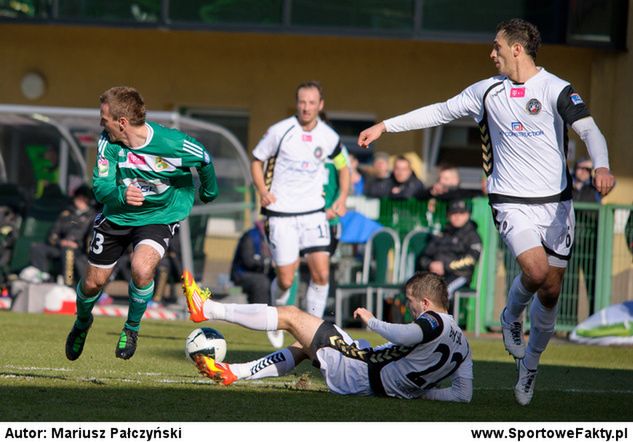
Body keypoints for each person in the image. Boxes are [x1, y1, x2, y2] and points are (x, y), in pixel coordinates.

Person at [357, 18, 615, 406]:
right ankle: (512, 315)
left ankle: (529, 365)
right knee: (536, 270)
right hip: (510, 201)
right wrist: (385, 126)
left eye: (496, 46)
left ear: (517, 49)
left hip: (557, 204)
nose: (490, 53)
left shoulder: (555, 88)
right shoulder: (486, 91)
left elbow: (590, 130)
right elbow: (440, 111)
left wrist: (601, 165)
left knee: (550, 291)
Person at [64, 86, 218, 361]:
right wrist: (120, 194)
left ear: (122, 123)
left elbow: (204, 158)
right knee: (92, 283)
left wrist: (208, 192)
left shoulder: (173, 143)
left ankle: (132, 327)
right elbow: (100, 187)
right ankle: (83, 322)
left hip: (159, 216)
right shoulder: (108, 143)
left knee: (141, 268)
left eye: (104, 118)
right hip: (117, 216)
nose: (101, 123)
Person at [182, 269, 473, 402]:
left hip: (362, 369)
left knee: (292, 316)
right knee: (303, 343)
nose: (409, 308)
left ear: (425, 303)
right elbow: (463, 395)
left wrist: (373, 322)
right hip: (370, 373)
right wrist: (420, 393)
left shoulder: (432, 321)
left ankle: (206, 307)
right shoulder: (463, 343)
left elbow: (409, 335)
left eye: (410, 301)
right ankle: (231, 372)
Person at [250, 81, 350, 344]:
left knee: (322, 274)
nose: (306, 108)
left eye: (311, 103)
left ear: (320, 105)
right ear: (297, 104)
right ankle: (278, 315)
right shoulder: (280, 131)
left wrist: (341, 197)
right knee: (285, 279)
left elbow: (344, 168)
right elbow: (257, 161)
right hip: (281, 214)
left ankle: (312, 331)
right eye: (302, 102)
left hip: (313, 214)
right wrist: (262, 191)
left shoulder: (329, 136)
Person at [22, 184, 95, 286]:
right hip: (61, 246)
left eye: (83, 198)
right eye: (78, 198)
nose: (79, 201)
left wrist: (77, 245)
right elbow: (53, 233)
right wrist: (60, 242)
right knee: (37, 248)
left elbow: (91, 238)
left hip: (79, 250)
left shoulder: (92, 216)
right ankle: (43, 277)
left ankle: (68, 283)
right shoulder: (66, 213)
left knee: (68, 252)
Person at [417, 199, 482, 301]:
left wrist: (445, 266)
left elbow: (470, 260)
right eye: (453, 213)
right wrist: (430, 264)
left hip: (459, 275)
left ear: (468, 215)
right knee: (414, 289)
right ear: (448, 215)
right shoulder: (442, 234)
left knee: (441, 293)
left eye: (461, 213)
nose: (457, 216)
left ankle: (443, 317)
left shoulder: (473, 236)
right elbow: (424, 256)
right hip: (434, 274)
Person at [229, 220, 274, 305]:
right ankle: (260, 314)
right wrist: (268, 263)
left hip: (264, 274)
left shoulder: (274, 237)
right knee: (262, 282)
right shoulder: (251, 236)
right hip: (242, 274)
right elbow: (248, 261)